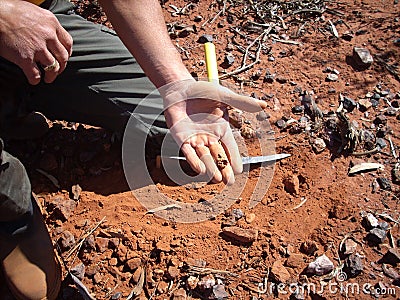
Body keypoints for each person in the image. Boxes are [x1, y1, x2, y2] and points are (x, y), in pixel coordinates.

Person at [0, 0, 267, 298]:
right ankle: (11, 210)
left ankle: (11, 105)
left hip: (42, 21)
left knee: (168, 121)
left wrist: (174, 84)